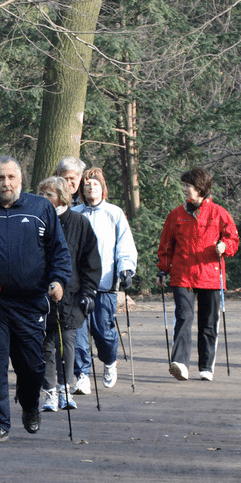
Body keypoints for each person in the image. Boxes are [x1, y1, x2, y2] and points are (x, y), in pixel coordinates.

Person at [0, 156, 71, 441]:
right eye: (0, 178)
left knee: (33, 365)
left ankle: (29, 405)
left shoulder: (41, 209)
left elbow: (58, 251)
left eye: (11, 177)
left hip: (31, 303)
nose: (6, 183)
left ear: (21, 180)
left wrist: (58, 280)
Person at [156, 167, 239, 382]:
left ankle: (206, 366)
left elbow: (233, 240)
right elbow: (166, 245)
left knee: (208, 323)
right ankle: (181, 364)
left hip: (211, 276)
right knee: (183, 317)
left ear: (199, 188)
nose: (184, 189)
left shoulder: (219, 213)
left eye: (188, 186)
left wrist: (225, 246)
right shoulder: (175, 215)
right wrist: (162, 270)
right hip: (182, 276)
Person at [36, 176, 100, 412]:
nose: (43, 199)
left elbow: (90, 261)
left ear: (61, 197)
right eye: (41, 194)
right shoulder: (37, 221)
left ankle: (66, 388)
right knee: (46, 344)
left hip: (72, 294)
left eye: (48, 195)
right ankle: (50, 392)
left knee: (68, 343)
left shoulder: (79, 222)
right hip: (42, 294)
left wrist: (89, 292)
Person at [72, 168, 138, 392]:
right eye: (88, 184)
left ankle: (109, 361)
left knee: (103, 331)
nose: (91, 188)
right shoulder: (75, 213)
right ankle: (82, 374)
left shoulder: (114, 213)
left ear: (103, 188)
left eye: (96, 184)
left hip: (105, 283)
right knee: (78, 330)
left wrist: (126, 269)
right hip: (79, 284)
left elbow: (124, 244)